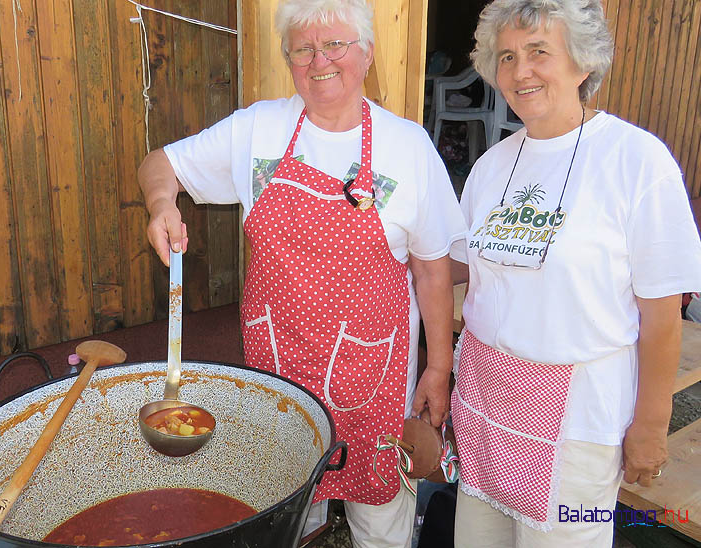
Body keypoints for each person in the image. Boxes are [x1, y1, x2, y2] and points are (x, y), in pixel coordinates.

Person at [138, 0, 466, 546]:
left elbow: (432, 273)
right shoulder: (257, 129)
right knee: (287, 513)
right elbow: (161, 164)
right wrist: (159, 204)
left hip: (374, 370)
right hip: (280, 366)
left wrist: (437, 369)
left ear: (365, 51)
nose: (320, 61)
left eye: (335, 44)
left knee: (381, 516)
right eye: (304, 48)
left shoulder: (408, 146)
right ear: (288, 57)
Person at [447, 0, 701, 546]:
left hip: (576, 424)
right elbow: (460, 269)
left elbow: (663, 317)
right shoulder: (492, 166)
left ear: (583, 63)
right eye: (508, 56)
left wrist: (651, 428)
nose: (520, 72)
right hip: (484, 408)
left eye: (540, 52)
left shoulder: (637, 161)